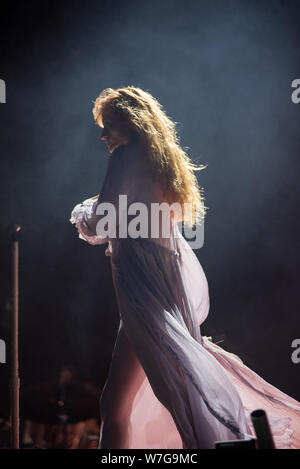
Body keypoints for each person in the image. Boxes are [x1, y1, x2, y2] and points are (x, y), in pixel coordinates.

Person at [70, 86, 300, 449]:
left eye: (109, 124)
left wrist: (84, 208)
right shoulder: (163, 161)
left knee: (131, 402)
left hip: (143, 292)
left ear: (132, 121)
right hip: (162, 288)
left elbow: (102, 222)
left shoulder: (126, 156)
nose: (103, 135)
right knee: (151, 395)